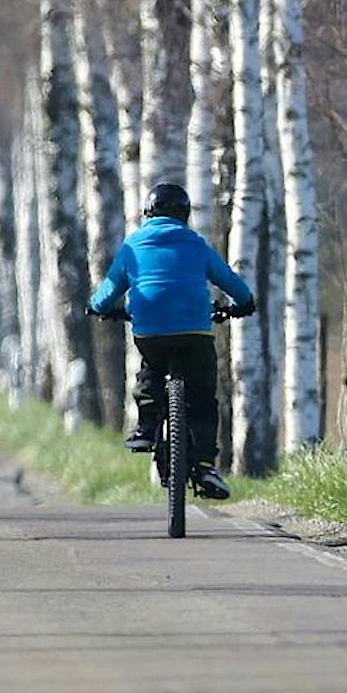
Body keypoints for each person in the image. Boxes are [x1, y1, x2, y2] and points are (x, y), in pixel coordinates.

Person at [87, 181, 255, 501]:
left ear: (147, 214)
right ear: (185, 215)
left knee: (151, 367)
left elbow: (108, 291)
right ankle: (206, 466)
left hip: (150, 327)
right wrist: (244, 303)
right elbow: (230, 280)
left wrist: (98, 309)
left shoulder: (133, 246)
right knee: (204, 397)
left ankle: (147, 427)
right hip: (194, 327)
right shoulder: (197, 244)